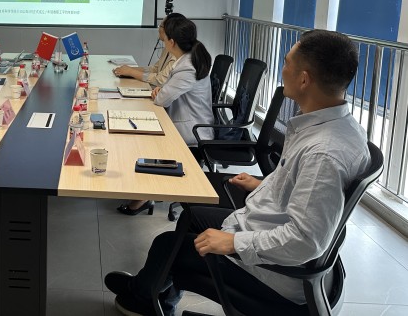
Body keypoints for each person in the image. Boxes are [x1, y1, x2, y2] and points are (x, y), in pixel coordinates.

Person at [104, 30, 371, 316]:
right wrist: (265, 184)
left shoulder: (324, 154)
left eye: (286, 63)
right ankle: (154, 291)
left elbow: (305, 241)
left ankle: (142, 298)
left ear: (304, 80)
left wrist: (233, 243)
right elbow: (304, 188)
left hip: (276, 274)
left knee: (166, 245)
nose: (282, 70)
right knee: (192, 217)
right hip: (262, 226)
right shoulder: (337, 127)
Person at [117, 18, 215, 215]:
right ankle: (142, 190)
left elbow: (162, 98)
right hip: (180, 119)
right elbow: (163, 90)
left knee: (142, 135)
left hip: (191, 130)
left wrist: (161, 93)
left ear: (172, 42)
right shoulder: (185, 59)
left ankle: (145, 194)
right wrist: (161, 92)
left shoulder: (187, 66)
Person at [112, 13, 186, 86]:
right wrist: (129, 70)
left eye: (160, 26)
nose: (158, 29)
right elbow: (155, 69)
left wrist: (131, 72)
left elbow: (161, 80)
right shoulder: (168, 48)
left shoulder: (177, 54)